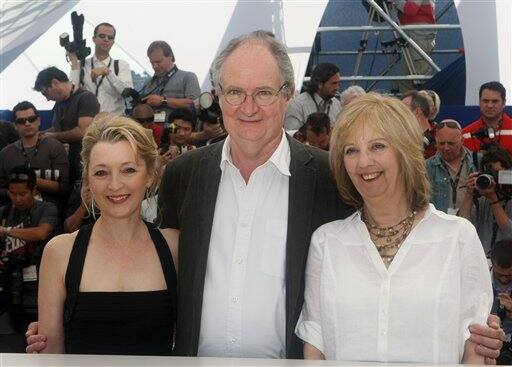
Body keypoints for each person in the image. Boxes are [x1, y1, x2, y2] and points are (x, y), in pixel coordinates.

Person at [26, 30, 505, 362]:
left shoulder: (330, 176)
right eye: (234, 92)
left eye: (263, 92)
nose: (247, 107)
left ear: (288, 92)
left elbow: (383, 262)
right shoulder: (184, 176)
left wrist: (477, 331)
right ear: (216, 93)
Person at [296, 92, 493, 363]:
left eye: (377, 146)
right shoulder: (327, 242)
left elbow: (475, 348)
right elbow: (315, 344)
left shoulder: (458, 237)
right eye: (351, 150)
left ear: (404, 151)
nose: (364, 162)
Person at [36, 116, 178, 355]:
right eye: (101, 173)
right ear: (88, 179)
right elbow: (51, 353)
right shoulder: (60, 252)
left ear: (150, 175)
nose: (114, 185)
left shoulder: (175, 246)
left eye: (128, 170)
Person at [33, 66, 100, 185]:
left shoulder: (86, 98)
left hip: (84, 163)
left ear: (55, 83)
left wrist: (53, 136)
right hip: (66, 164)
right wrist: (38, 135)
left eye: (45, 93)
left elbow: (84, 132)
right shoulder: (59, 104)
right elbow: (57, 129)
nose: (47, 99)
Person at [0, 101, 69, 210]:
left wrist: (28, 179)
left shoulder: (55, 147)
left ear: (38, 121)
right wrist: (19, 192)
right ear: (15, 125)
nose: (27, 123)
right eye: (21, 121)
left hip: (50, 210)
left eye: (31, 119)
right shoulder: (6, 153)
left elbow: (64, 188)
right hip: (15, 213)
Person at [68, 22, 133, 116]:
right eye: (102, 36)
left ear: (113, 42)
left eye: (110, 37)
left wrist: (108, 73)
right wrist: (74, 63)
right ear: (94, 39)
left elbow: (127, 93)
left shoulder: (121, 65)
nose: (106, 39)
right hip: (89, 122)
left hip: (115, 123)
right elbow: (71, 93)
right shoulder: (82, 65)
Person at [458, 147, 512, 256]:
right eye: (490, 173)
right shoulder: (481, 200)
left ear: (508, 174)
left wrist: (493, 199)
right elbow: (461, 226)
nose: (493, 178)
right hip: (483, 258)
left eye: (497, 173)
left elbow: (509, 234)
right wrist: (469, 194)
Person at [139, 41, 201, 123]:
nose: (154, 66)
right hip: (151, 132)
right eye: (152, 62)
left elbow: (195, 105)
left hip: (179, 133)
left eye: (158, 62)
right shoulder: (148, 83)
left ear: (170, 56)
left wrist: (163, 101)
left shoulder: (188, 77)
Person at [426, 119, 476, 214]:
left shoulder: (476, 161)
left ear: (462, 140)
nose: (446, 148)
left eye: (451, 143)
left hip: (472, 223)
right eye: (441, 143)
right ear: (436, 141)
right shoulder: (427, 167)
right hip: (440, 224)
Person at [393, 0, 436, 93]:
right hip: (412, 38)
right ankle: (408, 105)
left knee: (420, 78)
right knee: (407, 79)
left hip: (419, 37)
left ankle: (423, 104)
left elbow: (411, 8)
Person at [284, 63, 342, 131]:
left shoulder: (337, 104)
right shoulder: (297, 105)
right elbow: (291, 136)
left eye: (338, 83)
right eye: (333, 83)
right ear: (320, 84)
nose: (337, 88)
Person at [463, 82, 512, 154]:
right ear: (479, 102)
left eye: (495, 101)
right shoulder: (465, 135)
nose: (490, 106)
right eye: (486, 101)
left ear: (504, 103)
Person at [490, 240, 512, 365]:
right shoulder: (478, 278)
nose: (504, 278)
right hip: (487, 341)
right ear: (492, 264)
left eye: (509, 275)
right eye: (499, 274)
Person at [402, 89, 436, 158]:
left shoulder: (439, 136)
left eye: (403, 109)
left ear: (417, 111)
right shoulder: (400, 139)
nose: (399, 113)